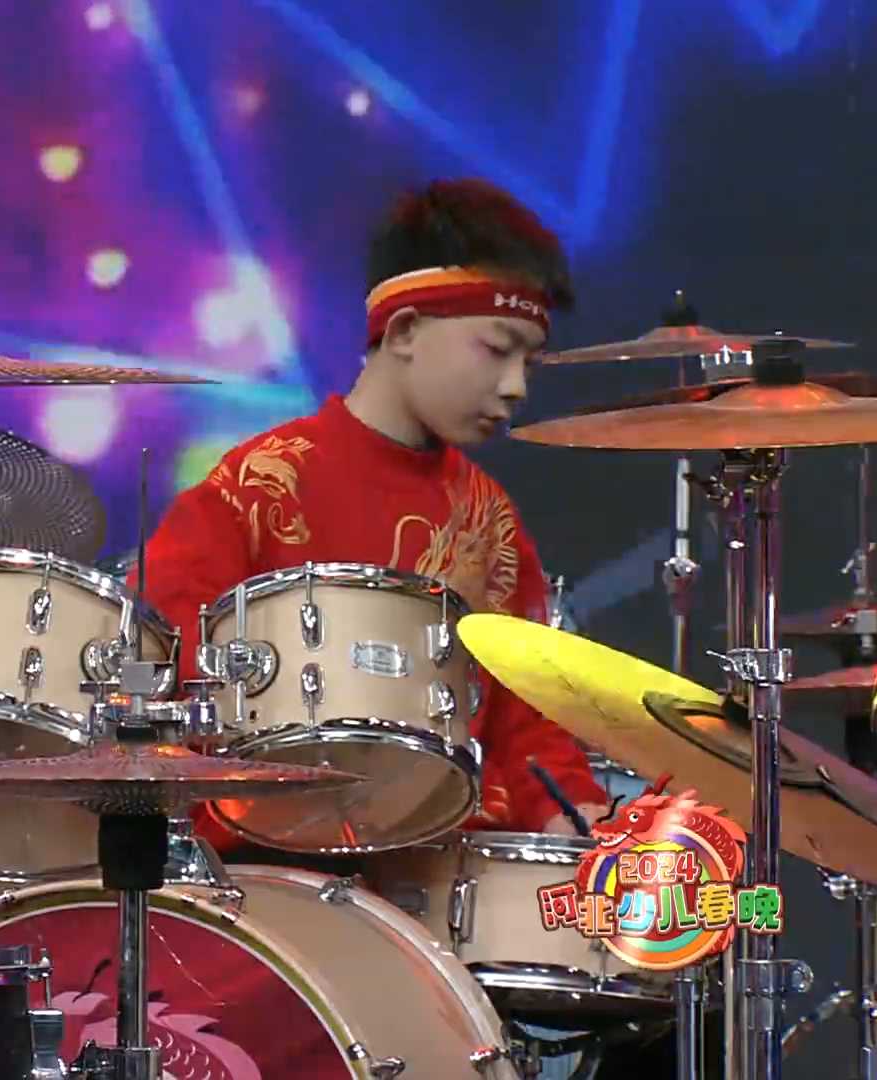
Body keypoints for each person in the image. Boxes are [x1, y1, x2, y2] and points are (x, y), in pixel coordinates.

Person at [141, 177, 610, 852]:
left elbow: (529, 722)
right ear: (406, 329)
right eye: (497, 348)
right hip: (269, 863)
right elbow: (162, 661)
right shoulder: (258, 484)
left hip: (444, 867)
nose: (516, 387)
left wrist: (573, 812)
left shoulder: (489, 519)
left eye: (530, 364)